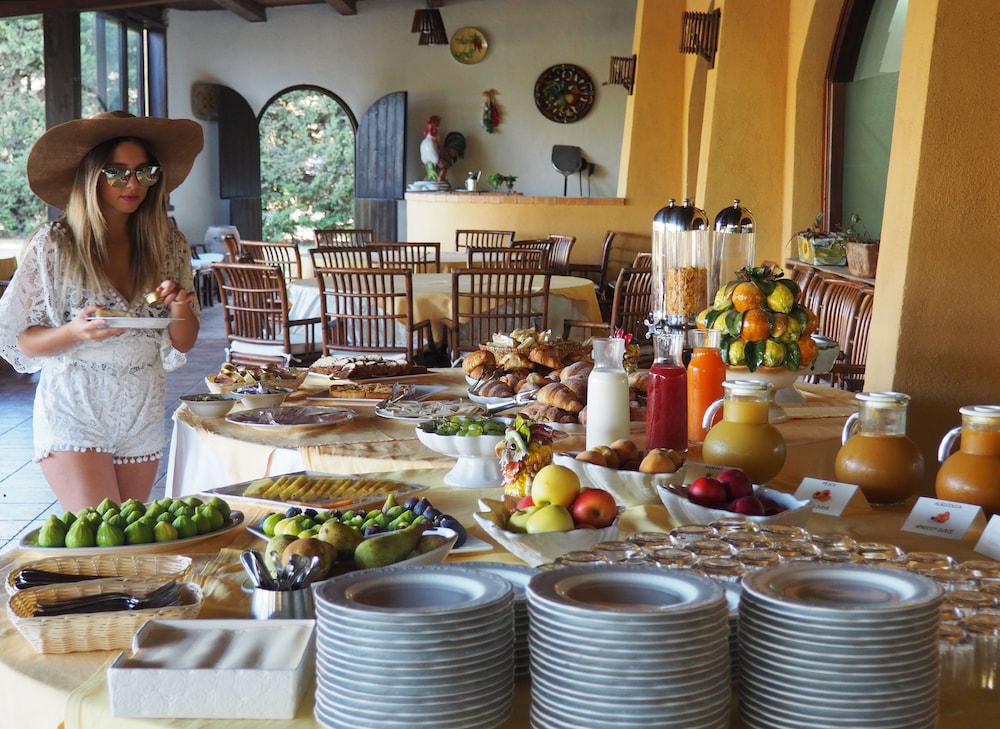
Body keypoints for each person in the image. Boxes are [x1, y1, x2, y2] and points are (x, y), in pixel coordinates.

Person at [0, 111, 204, 511]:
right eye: (117, 173)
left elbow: (183, 341)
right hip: (76, 407)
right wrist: (75, 331)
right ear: (91, 177)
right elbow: (20, 339)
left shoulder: (169, 244)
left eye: (145, 172)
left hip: (143, 408)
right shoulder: (55, 244)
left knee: (129, 535)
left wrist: (180, 306)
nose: (133, 184)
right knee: (100, 533)